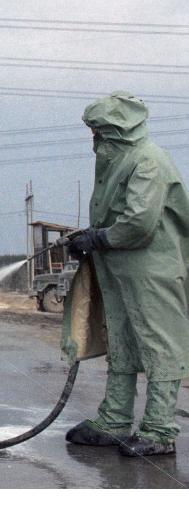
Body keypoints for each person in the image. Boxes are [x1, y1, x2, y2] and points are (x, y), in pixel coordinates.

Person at [65, 91, 189, 457]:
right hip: (119, 269)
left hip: (152, 270)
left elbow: (139, 223)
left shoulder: (148, 161)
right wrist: (89, 239)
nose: (94, 139)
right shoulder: (118, 162)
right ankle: (115, 419)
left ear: (117, 130)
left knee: (159, 344)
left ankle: (160, 430)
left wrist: (97, 238)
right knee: (122, 341)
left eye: (99, 131)